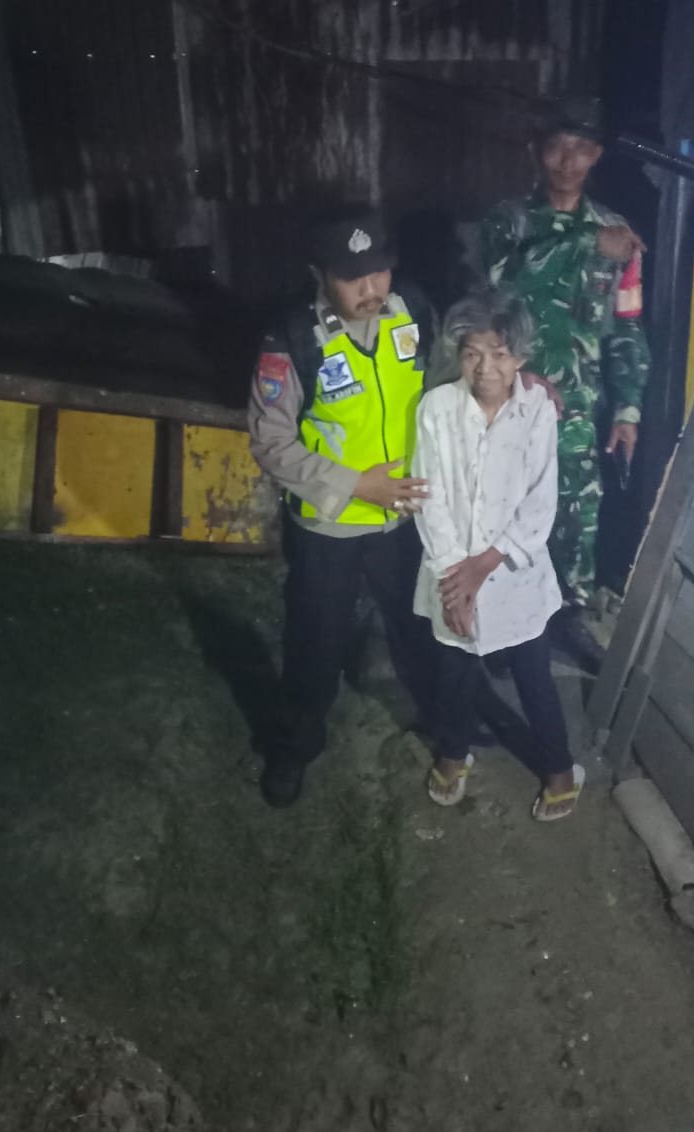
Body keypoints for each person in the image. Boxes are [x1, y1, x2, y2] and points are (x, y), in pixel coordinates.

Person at [248, 207, 434, 808]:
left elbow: (453, 381)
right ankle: (295, 747)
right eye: (353, 277)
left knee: (418, 626)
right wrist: (355, 485)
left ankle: (442, 722)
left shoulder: (413, 312)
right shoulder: (292, 337)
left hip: (404, 517)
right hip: (327, 525)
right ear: (320, 275)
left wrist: (520, 381)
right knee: (315, 643)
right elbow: (271, 442)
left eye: (379, 271)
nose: (370, 288)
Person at [478, 97, 650, 650]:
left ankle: (568, 618)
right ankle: (503, 629)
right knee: (504, 511)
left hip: (577, 408)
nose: (568, 160)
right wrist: (586, 243)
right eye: (557, 146)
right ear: (537, 150)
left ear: (597, 155)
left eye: (582, 148)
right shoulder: (508, 221)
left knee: (576, 520)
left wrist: (627, 408)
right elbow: (502, 282)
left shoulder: (617, 232)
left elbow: (627, 325)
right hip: (508, 400)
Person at [412, 289, 584, 822]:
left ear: (522, 357)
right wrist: (454, 578)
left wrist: (481, 568)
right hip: (449, 570)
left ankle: (558, 769)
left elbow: (539, 503)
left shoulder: (537, 411)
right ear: (458, 353)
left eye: (500, 355)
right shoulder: (438, 409)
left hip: (514, 576)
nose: (485, 369)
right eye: (472, 354)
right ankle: (452, 753)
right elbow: (429, 495)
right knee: (455, 672)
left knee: (534, 674)